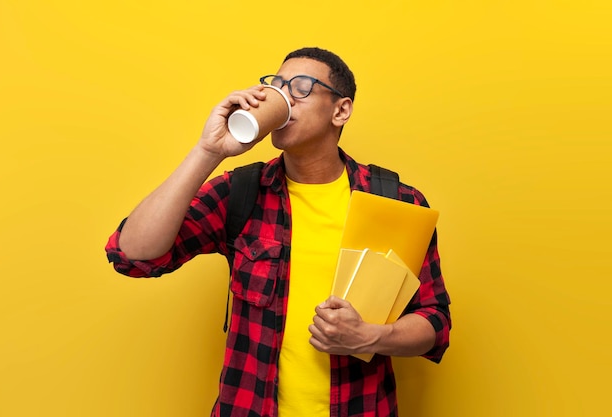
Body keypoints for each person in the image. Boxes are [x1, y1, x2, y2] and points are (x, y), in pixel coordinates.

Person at [105, 47, 451, 417]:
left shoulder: (395, 200)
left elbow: (435, 321)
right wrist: (209, 149)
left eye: (300, 87)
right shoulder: (241, 191)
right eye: (276, 85)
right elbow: (133, 254)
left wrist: (369, 336)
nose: (282, 97)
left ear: (340, 110)